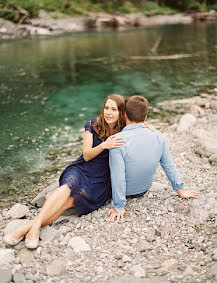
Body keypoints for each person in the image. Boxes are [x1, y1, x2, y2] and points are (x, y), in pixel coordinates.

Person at [4, 94, 125, 249]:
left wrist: (150, 127)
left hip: (99, 181)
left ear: (121, 113)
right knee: (66, 187)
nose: (108, 112)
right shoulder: (93, 124)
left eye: (113, 109)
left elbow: (139, 122)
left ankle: (27, 228)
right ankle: (33, 229)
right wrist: (104, 145)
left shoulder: (123, 130)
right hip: (82, 169)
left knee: (65, 205)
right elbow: (87, 155)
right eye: (106, 108)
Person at [108, 95, 199, 222]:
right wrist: (180, 189)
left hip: (125, 193)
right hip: (144, 189)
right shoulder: (158, 136)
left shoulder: (117, 140)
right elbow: (168, 164)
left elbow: (118, 177)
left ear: (124, 115)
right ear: (145, 117)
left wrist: (119, 206)